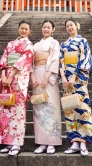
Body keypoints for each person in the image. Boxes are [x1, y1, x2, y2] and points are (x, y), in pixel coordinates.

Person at [0, 20, 34, 156]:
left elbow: (25, 61)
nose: (23, 31)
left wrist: (11, 76)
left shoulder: (29, 45)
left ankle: (16, 143)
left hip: (18, 81)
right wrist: (4, 76)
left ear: (30, 32)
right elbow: (4, 60)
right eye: (21, 28)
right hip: (7, 81)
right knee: (6, 110)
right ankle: (7, 142)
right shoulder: (10, 44)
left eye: (26, 29)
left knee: (18, 112)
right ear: (18, 29)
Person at [60, 18, 92, 156]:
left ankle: (84, 142)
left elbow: (85, 59)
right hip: (66, 82)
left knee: (82, 108)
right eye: (67, 26)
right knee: (69, 110)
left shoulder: (83, 41)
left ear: (76, 26)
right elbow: (61, 61)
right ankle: (74, 141)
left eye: (71, 25)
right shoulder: (64, 44)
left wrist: (74, 76)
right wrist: (63, 77)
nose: (69, 28)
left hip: (78, 79)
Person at [30, 20, 62, 154]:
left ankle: (52, 142)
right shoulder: (35, 45)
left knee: (51, 106)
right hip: (36, 74)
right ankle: (41, 142)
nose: (46, 29)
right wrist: (32, 77)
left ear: (53, 29)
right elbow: (30, 61)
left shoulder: (54, 43)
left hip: (48, 76)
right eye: (44, 27)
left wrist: (47, 77)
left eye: (49, 27)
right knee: (39, 107)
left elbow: (55, 60)